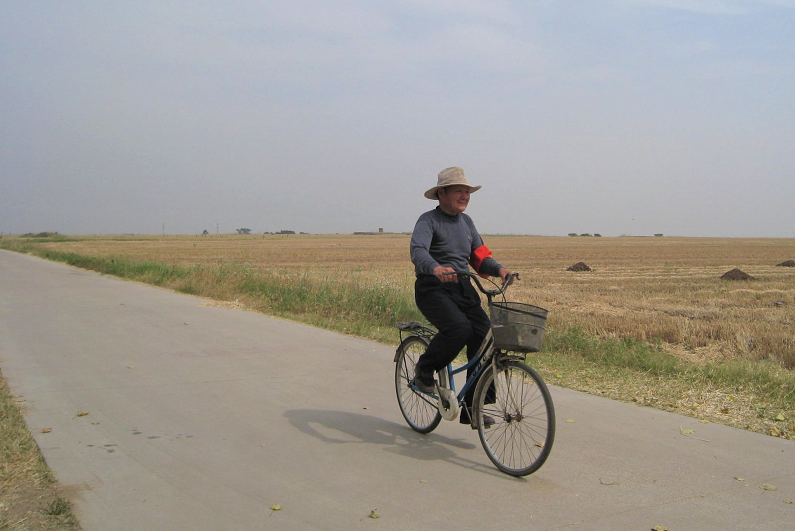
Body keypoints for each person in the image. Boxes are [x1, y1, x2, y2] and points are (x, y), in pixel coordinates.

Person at [410, 167, 513, 428]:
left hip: (463, 287)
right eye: (459, 190)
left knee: (485, 336)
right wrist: (436, 268)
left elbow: (479, 256)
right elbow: (418, 251)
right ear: (442, 193)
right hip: (433, 287)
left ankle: (472, 406)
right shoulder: (428, 220)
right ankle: (424, 371)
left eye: (467, 191)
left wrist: (499, 269)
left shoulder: (467, 223)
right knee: (459, 328)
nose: (465, 195)